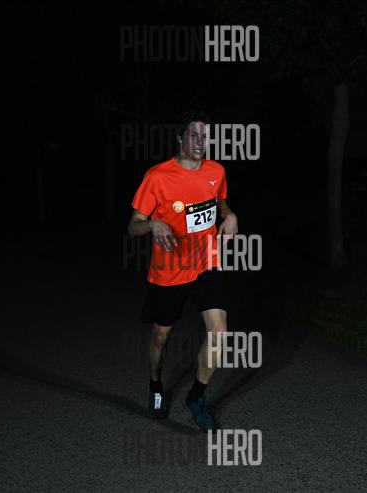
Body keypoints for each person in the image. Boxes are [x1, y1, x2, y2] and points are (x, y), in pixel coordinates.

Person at [126, 111, 238, 430]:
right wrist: (152, 224)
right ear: (180, 138)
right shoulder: (157, 177)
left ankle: (196, 398)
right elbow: (133, 226)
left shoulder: (216, 171)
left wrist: (230, 215)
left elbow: (220, 202)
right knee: (161, 336)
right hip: (170, 269)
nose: (201, 142)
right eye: (194, 136)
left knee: (219, 332)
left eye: (206, 136)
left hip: (206, 263)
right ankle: (155, 384)